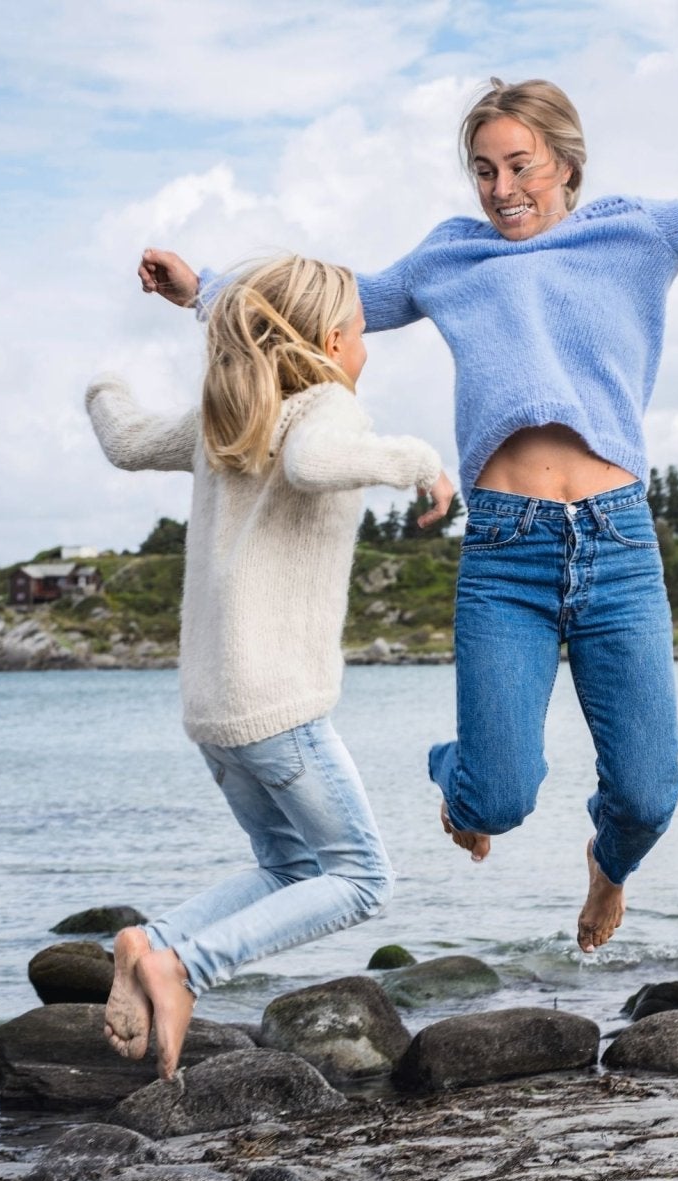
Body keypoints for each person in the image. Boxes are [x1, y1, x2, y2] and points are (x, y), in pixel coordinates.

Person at [138, 25, 678, 953]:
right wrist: (205, 288)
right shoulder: (451, 258)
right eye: (483, 171)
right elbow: (329, 298)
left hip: (618, 546)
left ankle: (609, 871)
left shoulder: (635, 233)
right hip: (505, 554)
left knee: (649, 792)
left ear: (564, 162)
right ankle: (462, 774)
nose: (502, 189)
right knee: (496, 796)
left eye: (519, 165)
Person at [88, 254, 453, 1078]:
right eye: (362, 333)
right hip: (280, 707)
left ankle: (156, 942)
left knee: (289, 867)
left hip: (216, 711)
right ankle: (185, 967)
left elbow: (124, 440)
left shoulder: (227, 416)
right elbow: (313, 463)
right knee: (360, 879)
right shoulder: (324, 406)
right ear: (330, 340)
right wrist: (421, 462)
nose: (366, 348)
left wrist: (103, 381)